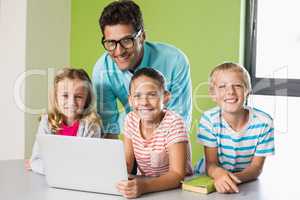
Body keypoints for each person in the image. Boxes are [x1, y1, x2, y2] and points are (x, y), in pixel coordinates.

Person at [92, 0, 192, 139]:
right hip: (135, 141)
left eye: (127, 40)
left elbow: (180, 124)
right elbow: (109, 128)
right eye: (111, 43)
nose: (119, 51)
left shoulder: (175, 61)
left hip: (171, 143)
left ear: (142, 36)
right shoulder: (102, 69)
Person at [194, 62, 275, 193]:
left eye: (237, 86)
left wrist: (230, 179)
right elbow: (211, 164)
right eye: (222, 86)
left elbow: (256, 168)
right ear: (213, 94)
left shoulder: (264, 123)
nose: (230, 92)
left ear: (247, 91)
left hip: (242, 180)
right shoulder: (209, 120)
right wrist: (220, 175)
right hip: (208, 176)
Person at [116, 68, 193, 198]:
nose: (144, 102)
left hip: (179, 191)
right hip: (147, 187)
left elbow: (177, 174)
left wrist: (144, 187)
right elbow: (127, 164)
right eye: (137, 96)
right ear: (130, 100)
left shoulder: (174, 123)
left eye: (152, 95)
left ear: (166, 97)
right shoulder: (131, 119)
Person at [26, 68, 103, 174]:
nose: (71, 102)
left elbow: (86, 164)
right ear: (56, 97)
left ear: (87, 100)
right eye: (65, 96)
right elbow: (36, 161)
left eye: (78, 97)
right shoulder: (47, 122)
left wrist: (52, 166)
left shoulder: (91, 125)